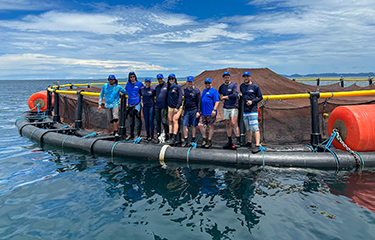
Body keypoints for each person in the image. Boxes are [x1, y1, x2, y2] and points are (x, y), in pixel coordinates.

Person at [240, 71, 263, 153]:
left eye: (247, 76)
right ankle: (249, 142)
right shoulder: (242, 86)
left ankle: (257, 145)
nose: (246, 78)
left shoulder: (255, 86)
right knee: (248, 128)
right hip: (245, 111)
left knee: (255, 128)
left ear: (250, 77)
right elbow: (243, 94)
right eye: (244, 77)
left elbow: (260, 97)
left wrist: (252, 102)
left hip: (252, 111)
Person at [219, 71, 241, 149]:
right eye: (225, 77)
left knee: (234, 123)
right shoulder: (222, 86)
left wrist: (225, 97)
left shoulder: (234, 85)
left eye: (228, 77)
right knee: (227, 124)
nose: (227, 78)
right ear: (223, 78)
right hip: (226, 107)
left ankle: (238, 141)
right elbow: (220, 93)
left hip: (233, 106)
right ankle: (230, 141)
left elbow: (235, 95)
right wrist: (222, 98)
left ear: (230, 77)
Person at [198, 78, 220, 148]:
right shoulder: (204, 90)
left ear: (211, 83)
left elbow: (217, 101)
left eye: (209, 83)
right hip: (203, 112)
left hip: (210, 112)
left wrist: (214, 110)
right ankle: (204, 138)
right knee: (200, 124)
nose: (207, 84)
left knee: (211, 126)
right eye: (206, 83)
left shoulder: (214, 91)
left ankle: (209, 140)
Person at [182, 76, 201, 147]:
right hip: (187, 110)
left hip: (194, 109)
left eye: (191, 82)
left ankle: (193, 139)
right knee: (184, 125)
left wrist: (198, 111)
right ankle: (186, 140)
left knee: (194, 125)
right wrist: (183, 106)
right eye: (189, 82)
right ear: (187, 82)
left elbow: (199, 102)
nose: (190, 83)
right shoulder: (185, 89)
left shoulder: (197, 91)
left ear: (193, 82)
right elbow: (185, 99)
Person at [125, 71, 144, 140]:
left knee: (138, 119)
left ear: (135, 77)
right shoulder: (128, 84)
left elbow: (144, 90)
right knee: (131, 120)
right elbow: (124, 90)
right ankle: (131, 134)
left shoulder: (139, 84)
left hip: (137, 104)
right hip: (130, 104)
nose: (132, 78)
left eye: (133, 76)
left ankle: (138, 134)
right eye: (131, 77)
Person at [165, 73, 183, 146]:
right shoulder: (169, 87)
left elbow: (180, 97)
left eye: (172, 79)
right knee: (170, 121)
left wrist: (177, 107)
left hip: (177, 107)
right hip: (170, 107)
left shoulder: (177, 87)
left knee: (175, 120)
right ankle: (171, 137)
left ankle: (175, 138)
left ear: (175, 79)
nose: (171, 80)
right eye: (170, 79)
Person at [154, 73, 169, 142]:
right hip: (157, 106)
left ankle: (167, 134)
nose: (160, 80)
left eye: (161, 78)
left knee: (164, 121)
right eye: (158, 79)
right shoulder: (157, 87)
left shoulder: (167, 86)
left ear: (163, 78)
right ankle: (158, 135)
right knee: (158, 121)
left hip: (164, 107)